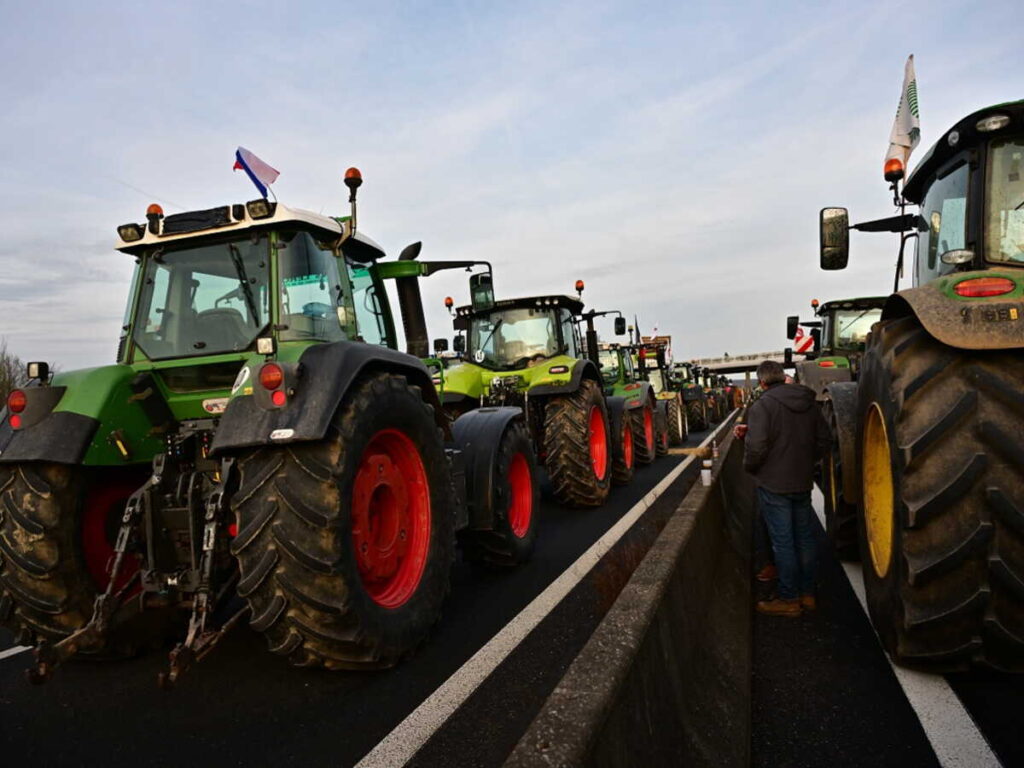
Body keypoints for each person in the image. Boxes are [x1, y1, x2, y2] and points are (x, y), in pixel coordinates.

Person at [739, 360, 830, 616]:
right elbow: (824, 439)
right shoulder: (808, 402)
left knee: (783, 543)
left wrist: (752, 468)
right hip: (801, 481)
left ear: (762, 381)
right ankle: (808, 594)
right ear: (783, 376)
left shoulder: (763, 406)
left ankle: (789, 599)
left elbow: (756, 448)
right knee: (805, 539)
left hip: (773, 484)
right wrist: (807, 463)